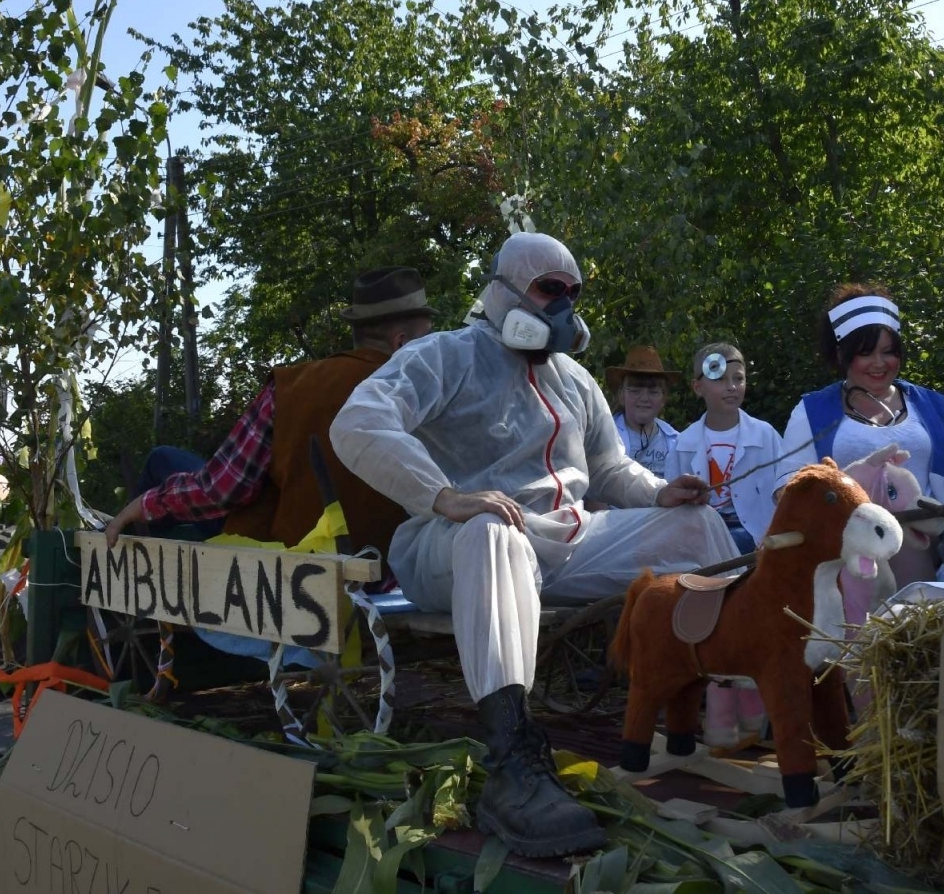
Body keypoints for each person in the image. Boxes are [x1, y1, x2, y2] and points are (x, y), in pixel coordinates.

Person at [330, 232, 739, 859]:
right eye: (550, 290)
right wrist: (444, 496)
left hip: (565, 542)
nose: (563, 306)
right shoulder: (445, 355)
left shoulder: (575, 379)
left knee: (697, 527)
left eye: (573, 293)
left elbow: (609, 472)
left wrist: (661, 493)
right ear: (503, 293)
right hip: (453, 545)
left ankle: (712, 702)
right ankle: (512, 759)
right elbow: (358, 422)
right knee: (496, 530)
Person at [104, 267, 435, 558]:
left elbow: (223, 489)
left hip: (289, 560)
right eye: (428, 336)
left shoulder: (296, 386)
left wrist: (147, 504)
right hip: (395, 563)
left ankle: (140, 575)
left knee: (163, 460)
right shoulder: (440, 397)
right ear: (401, 342)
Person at [781, 284, 944, 587]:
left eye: (888, 352)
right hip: (848, 552)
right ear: (841, 354)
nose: (879, 363)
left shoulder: (930, 406)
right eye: (866, 353)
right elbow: (789, 490)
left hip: (936, 549)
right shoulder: (811, 412)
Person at [666, 343, 783, 556]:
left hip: (757, 535)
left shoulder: (766, 436)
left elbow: (785, 490)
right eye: (719, 379)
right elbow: (672, 506)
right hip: (702, 534)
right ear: (698, 388)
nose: (731, 386)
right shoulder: (682, 445)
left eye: (738, 378)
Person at [606, 344, 681, 477]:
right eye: (635, 391)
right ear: (621, 396)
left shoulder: (675, 440)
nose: (644, 398)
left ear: (664, 399)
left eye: (653, 392)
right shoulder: (605, 435)